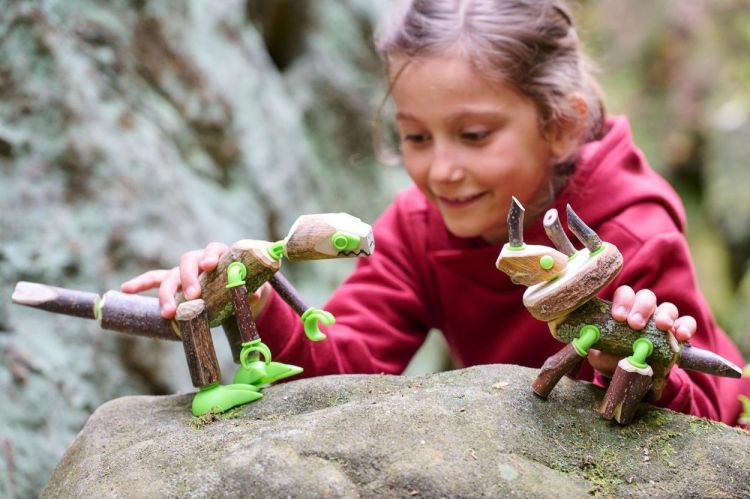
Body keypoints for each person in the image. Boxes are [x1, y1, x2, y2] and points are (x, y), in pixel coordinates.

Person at [122, 0, 749, 425]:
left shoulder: (629, 233)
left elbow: (712, 415)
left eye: (473, 135)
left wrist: (640, 366)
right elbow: (346, 368)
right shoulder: (419, 227)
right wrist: (255, 306)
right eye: (416, 138)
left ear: (562, 124)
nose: (440, 171)